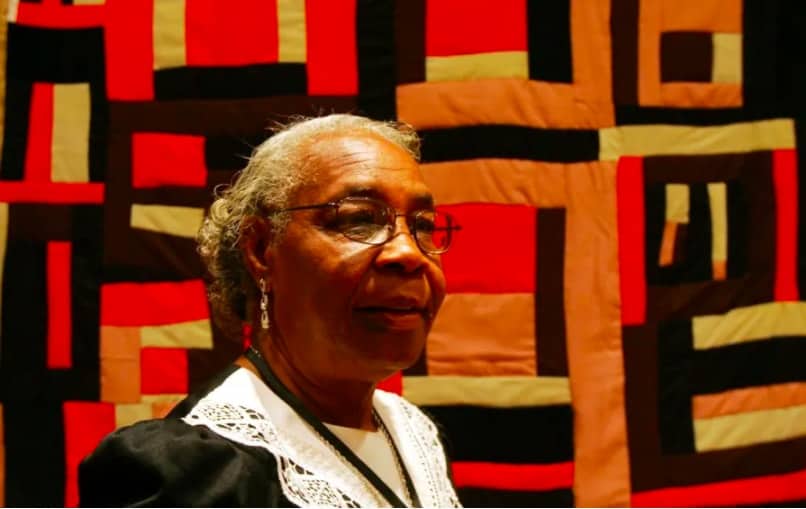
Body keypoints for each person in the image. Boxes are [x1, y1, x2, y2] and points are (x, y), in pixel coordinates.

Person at [78, 114, 462, 507]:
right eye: (359, 219)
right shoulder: (196, 472)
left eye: (423, 224)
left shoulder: (412, 434)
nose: (408, 253)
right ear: (261, 250)